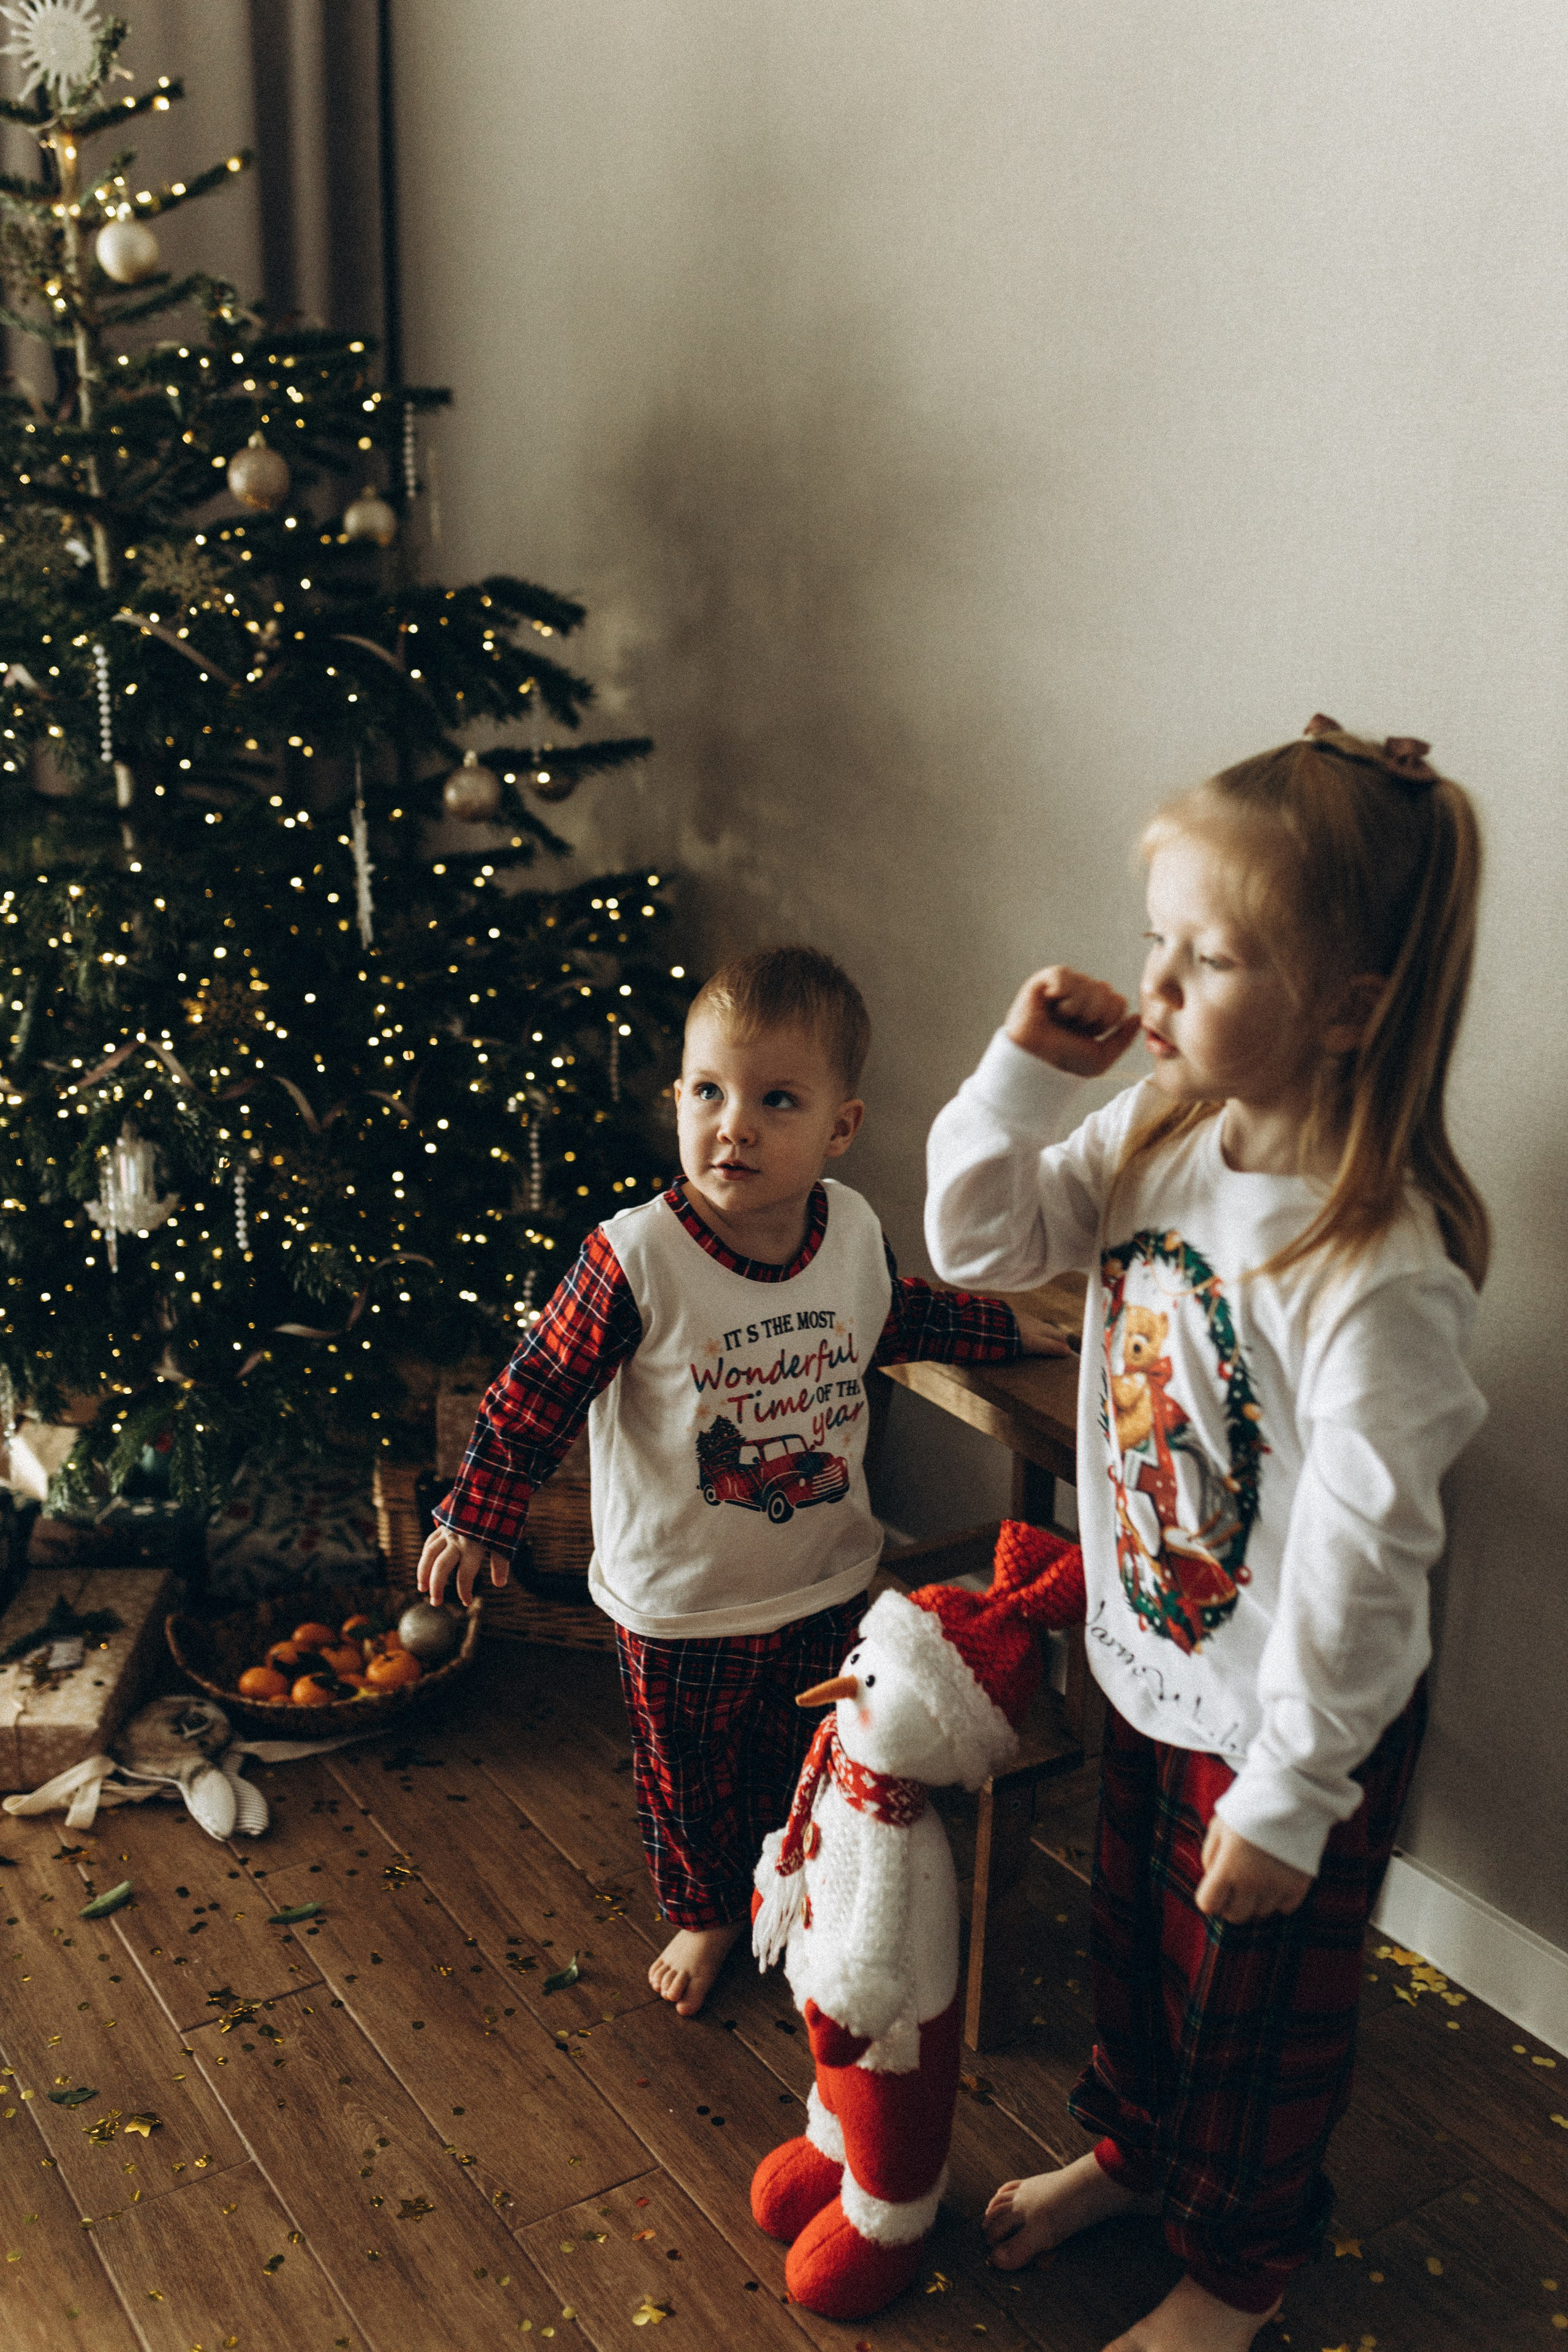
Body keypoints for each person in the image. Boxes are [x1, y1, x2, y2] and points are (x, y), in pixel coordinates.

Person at [924, 718, 1489, 2352]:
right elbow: (976, 1241)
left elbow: (1367, 1566)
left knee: (1253, 2013)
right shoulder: (1162, 1131)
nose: (1155, 985)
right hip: (1158, 1657)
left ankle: (1236, 2269)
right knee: (1137, 1955)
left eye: (1209, 955)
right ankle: (1133, 2148)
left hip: (1290, 1722)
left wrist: (1296, 1792)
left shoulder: (1377, 1272)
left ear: (1349, 1013)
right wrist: (1024, 1076)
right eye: (1153, 938)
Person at [418, 945, 1069, 2019]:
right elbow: (535, 1389)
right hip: (680, 1600)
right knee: (689, 1776)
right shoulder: (635, 1258)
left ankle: (799, 1866)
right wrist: (483, 1512)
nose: (737, 1125)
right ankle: (710, 1908)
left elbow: (898, 1314)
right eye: (711, 1093)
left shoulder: (851, 1228)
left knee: (801, 1742)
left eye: (777, 1100)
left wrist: (1009, 1327)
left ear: (839, 1129)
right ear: (678, 1099)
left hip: (821, 1569)